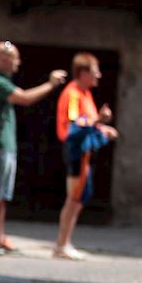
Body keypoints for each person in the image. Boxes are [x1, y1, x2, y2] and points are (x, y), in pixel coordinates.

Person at [0, 41, 66, 254]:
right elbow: (24, 98)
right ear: (4, 59)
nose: (18, 63)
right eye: (15, 58)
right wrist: (50, 84)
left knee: (0, 195)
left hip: (4, 144)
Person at [54, 52, 118, 261]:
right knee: (73, 198)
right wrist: (98, 120)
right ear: (82, 73)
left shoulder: (85, 93)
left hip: (85, 152)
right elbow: (75, 125)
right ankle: (61, 245)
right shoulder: (73, 94)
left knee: (80, 197)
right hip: (75, 151)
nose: (98, 75)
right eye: (94, 71)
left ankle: (65, 242)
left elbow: (89, 122)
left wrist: (102, 128)